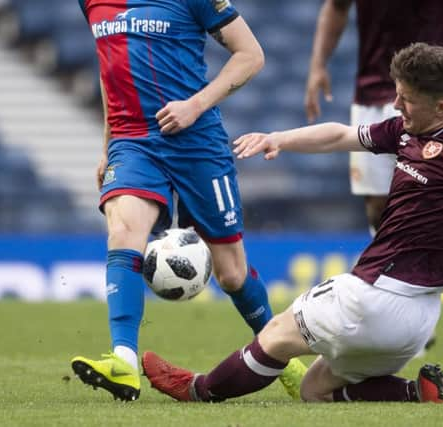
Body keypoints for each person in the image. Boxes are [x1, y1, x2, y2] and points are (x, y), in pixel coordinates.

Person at [141, 43, 443, 404]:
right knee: (315, 390)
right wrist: (279, 139)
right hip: (414, 323)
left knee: (275, 334)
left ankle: (197, 389)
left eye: (406, 98)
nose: (397, 105)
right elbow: (342, 135)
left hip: (376, 296)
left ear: (442, 106)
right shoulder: (408, 131)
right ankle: (417, 392)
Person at [71, 0, 305, 402]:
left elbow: (250, 55)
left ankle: (285, 360)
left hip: (196, 140)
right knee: (124, 230)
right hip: (134, 142)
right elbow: (108, 64)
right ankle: (124, 361)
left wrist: (195, 105)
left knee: (232, 274)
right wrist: (108, 145)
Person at [305, 0, 443, 234]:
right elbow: (336, 7)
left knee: (434, 197)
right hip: (372, 93)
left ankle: (435, 265)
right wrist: (317, 66)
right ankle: (384, 265)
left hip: (431, 94)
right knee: (378, 207)